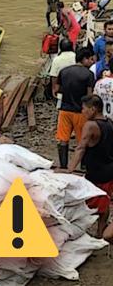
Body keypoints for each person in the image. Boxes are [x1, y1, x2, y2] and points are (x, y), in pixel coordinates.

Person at [58, 95, 113, 238]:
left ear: (93, 109)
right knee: (104, 202)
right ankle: (100, 231)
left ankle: (90, 232)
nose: (82, 112)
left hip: (97, 172)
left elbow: (81, 147)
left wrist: (69, 169)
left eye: (84, 109)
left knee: (89, 202)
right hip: (108, 169)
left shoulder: (91, 125)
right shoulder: (109, 122)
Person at [53, 47, 95, 168]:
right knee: (83, 140)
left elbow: (57, 90)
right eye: (90, 59)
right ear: (84, 59)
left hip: (64, 110)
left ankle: (63, 165)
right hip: (81, 112)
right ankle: (83, 165)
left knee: (63, 139)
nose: (92, 62)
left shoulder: (64, 71)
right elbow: (89, 95)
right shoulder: (89, 74)